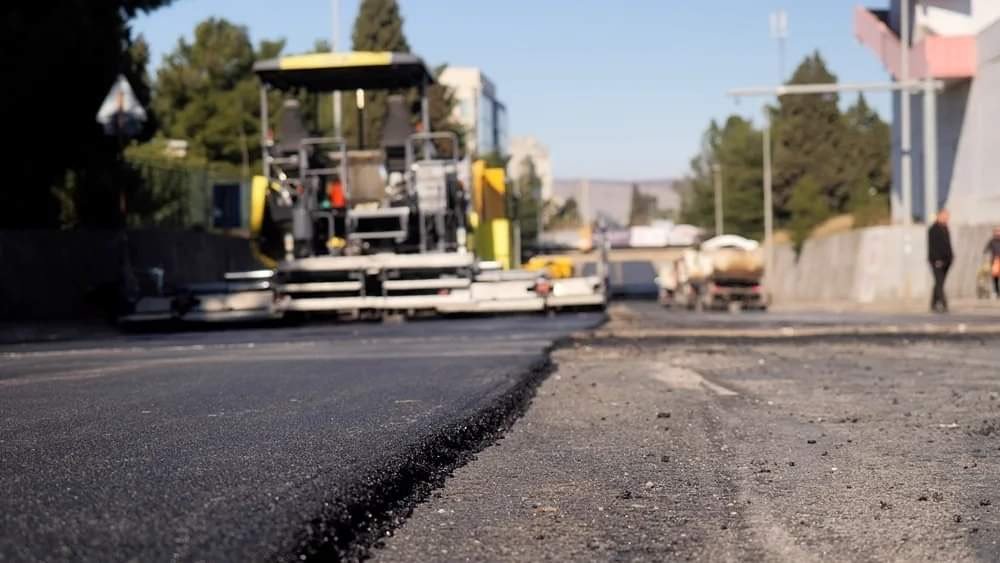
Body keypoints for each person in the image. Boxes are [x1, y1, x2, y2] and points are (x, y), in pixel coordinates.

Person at [928, 209, 954, 313]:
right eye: (945, 216)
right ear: (939, 216)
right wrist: (936, 259)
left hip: (947, 261)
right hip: (937, 261)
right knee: (939, 283)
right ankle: (944, 303)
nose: (947, 218)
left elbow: (948, 245)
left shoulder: (945, 228)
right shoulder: (933, 229)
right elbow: (933, 247)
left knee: (939, 282)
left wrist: (951, 257)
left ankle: (933, 303)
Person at [985, 226, 1000, 298]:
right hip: (995, 261)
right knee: (995, 278)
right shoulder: (992, 241)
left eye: (999, 231)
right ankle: (997, 292)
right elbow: (986, 250)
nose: (998, 232)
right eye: (996, 231)